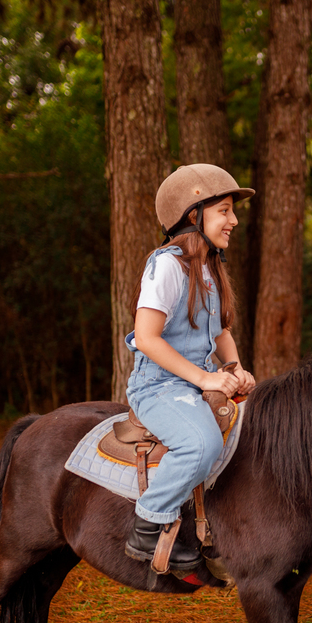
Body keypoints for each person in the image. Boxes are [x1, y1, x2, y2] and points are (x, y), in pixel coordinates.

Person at [123, 164, 258, 571]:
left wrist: (234, 367)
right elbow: (146, 337)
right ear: (193, 215)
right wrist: (205, 377)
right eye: (224, 210)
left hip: (193, 384)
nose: (233, 220)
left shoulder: (210, 269)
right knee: (201, 444)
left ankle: (221, 525)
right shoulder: (167, 265)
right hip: (158, 387)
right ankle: (148, 524)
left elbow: (219, 333)